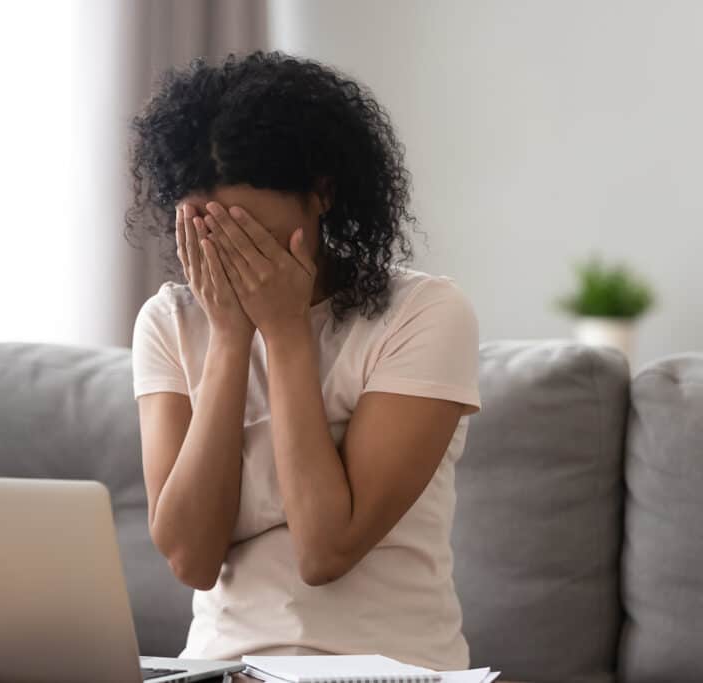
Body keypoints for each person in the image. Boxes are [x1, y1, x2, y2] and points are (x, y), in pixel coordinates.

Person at [125, 50, 481, 671]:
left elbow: (325, 550)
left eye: (252, 235)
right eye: (209, 234)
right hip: (221, 668)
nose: (234, 260)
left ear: (321, 193)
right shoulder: (170, 322)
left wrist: (285, 334)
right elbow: (191, 559)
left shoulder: (425, 313)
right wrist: (231, 340)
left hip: (387, 667)